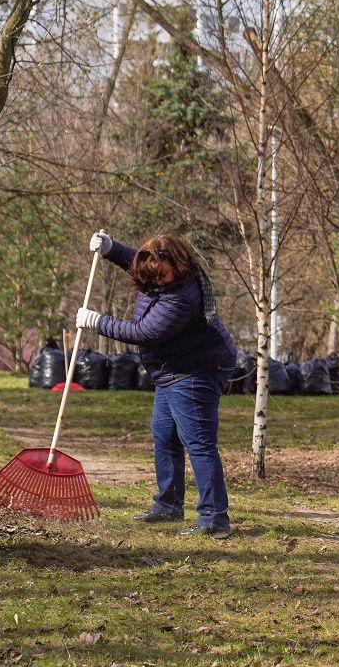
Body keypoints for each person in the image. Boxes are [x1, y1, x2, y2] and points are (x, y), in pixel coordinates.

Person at [76, 229, 239, 539]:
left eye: (163, 274)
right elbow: (136, 261)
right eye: (154, 276)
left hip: (197, 369)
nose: (160, 281)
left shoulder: (182, 295)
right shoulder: (161, 272)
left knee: (199, 443)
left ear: (176, 263)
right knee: (164, 434)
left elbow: (144, 332)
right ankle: (168, 504)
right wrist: (111, 249)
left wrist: (97, 321)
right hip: (171, 368)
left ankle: (214, 518)